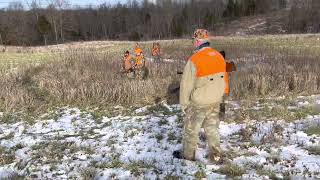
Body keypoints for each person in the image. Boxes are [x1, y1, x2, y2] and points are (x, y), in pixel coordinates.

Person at [173, 29, 229, 163]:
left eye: (194, 41)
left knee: (191, 130)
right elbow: (225, 79)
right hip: (216, 99)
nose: (193, 43)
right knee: (212, 129)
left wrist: (185, 106)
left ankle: (188, 156)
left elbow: (186, 86)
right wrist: (222, 98)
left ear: (197, 41)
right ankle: (216, 156)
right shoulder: (219, 56)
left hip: (199, 103)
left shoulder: (194, 59)